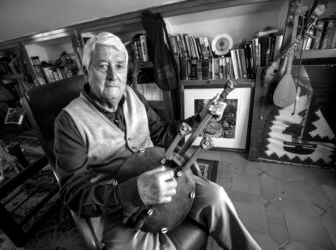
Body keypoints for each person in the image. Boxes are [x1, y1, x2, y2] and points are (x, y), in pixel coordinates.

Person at [54, 32, 261, 250]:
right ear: (86, 72)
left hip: (164, 177)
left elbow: (162, 133)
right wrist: (132, 192)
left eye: (120, 66)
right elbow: (72, 193)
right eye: (103, 66)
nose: (113, 76)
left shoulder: (134, 96)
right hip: (114, 206)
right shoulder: (68, 122)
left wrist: (199, 118)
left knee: (216, 197)